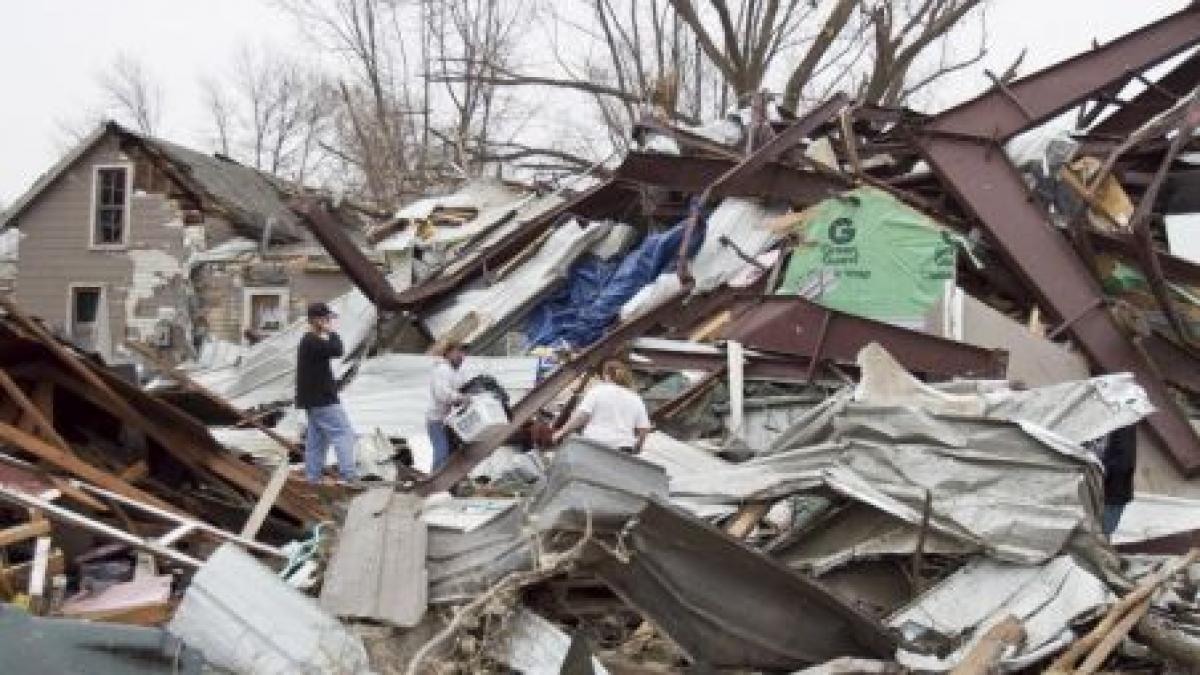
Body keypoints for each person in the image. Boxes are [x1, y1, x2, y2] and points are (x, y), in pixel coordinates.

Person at [296, 302, 357, 483]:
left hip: (313, 401)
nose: (329, 321)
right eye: (326, 319)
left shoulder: (309, 341)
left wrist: (327, 331)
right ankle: (349, 476)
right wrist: (331, 331)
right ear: (317, 320)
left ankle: (312, 480)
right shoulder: (312, 341)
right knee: (344, 433)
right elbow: (338, 350)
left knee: (317, 442)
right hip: (323, 400)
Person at [552, 360, 651, 453]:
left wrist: (561, 433)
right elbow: (644, 429)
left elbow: (581, 416)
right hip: (623, 448)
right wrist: (638, 447)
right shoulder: (636, 398)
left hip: (594, 441)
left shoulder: (598, 390)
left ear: (606, 376)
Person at [427, 341, 469, 471]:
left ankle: (449, 483)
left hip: (449, 420)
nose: (461, 356)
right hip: (437, 420)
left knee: (451, 453)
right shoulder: (442, 369)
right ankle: (435, 482)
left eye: (463, 353)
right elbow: (442, 394)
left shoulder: (456, 372)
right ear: (448, 353)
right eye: (458, 352)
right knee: (442, 452)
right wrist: (460, 398)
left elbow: (461, 390)